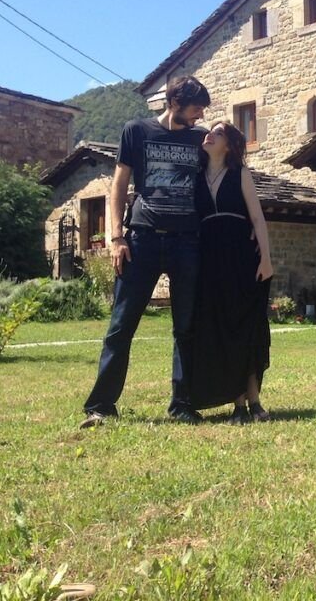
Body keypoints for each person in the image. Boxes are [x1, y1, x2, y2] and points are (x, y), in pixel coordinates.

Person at [81, 76, 211, 428]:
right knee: (121, 325)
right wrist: (116, 237)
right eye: (196, 107)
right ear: (175, 102)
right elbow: (120, 183)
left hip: (188, 241)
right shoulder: (136, 131)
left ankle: (182, 403)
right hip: (142, 239)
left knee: (186, 327)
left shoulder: (201, 139)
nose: (201, 114)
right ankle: (101, 406)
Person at [188, 120, 274, 424]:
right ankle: (237, 402)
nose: (209, 135)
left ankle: (253, 400)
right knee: (221, 329)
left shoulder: (240, 173)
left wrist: (266, 258)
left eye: (218, 132)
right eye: (210, 131)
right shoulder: (196, 178)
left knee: (246, 327)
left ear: (230, 144)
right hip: (210, 261)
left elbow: (257, 218)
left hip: (241, 257)